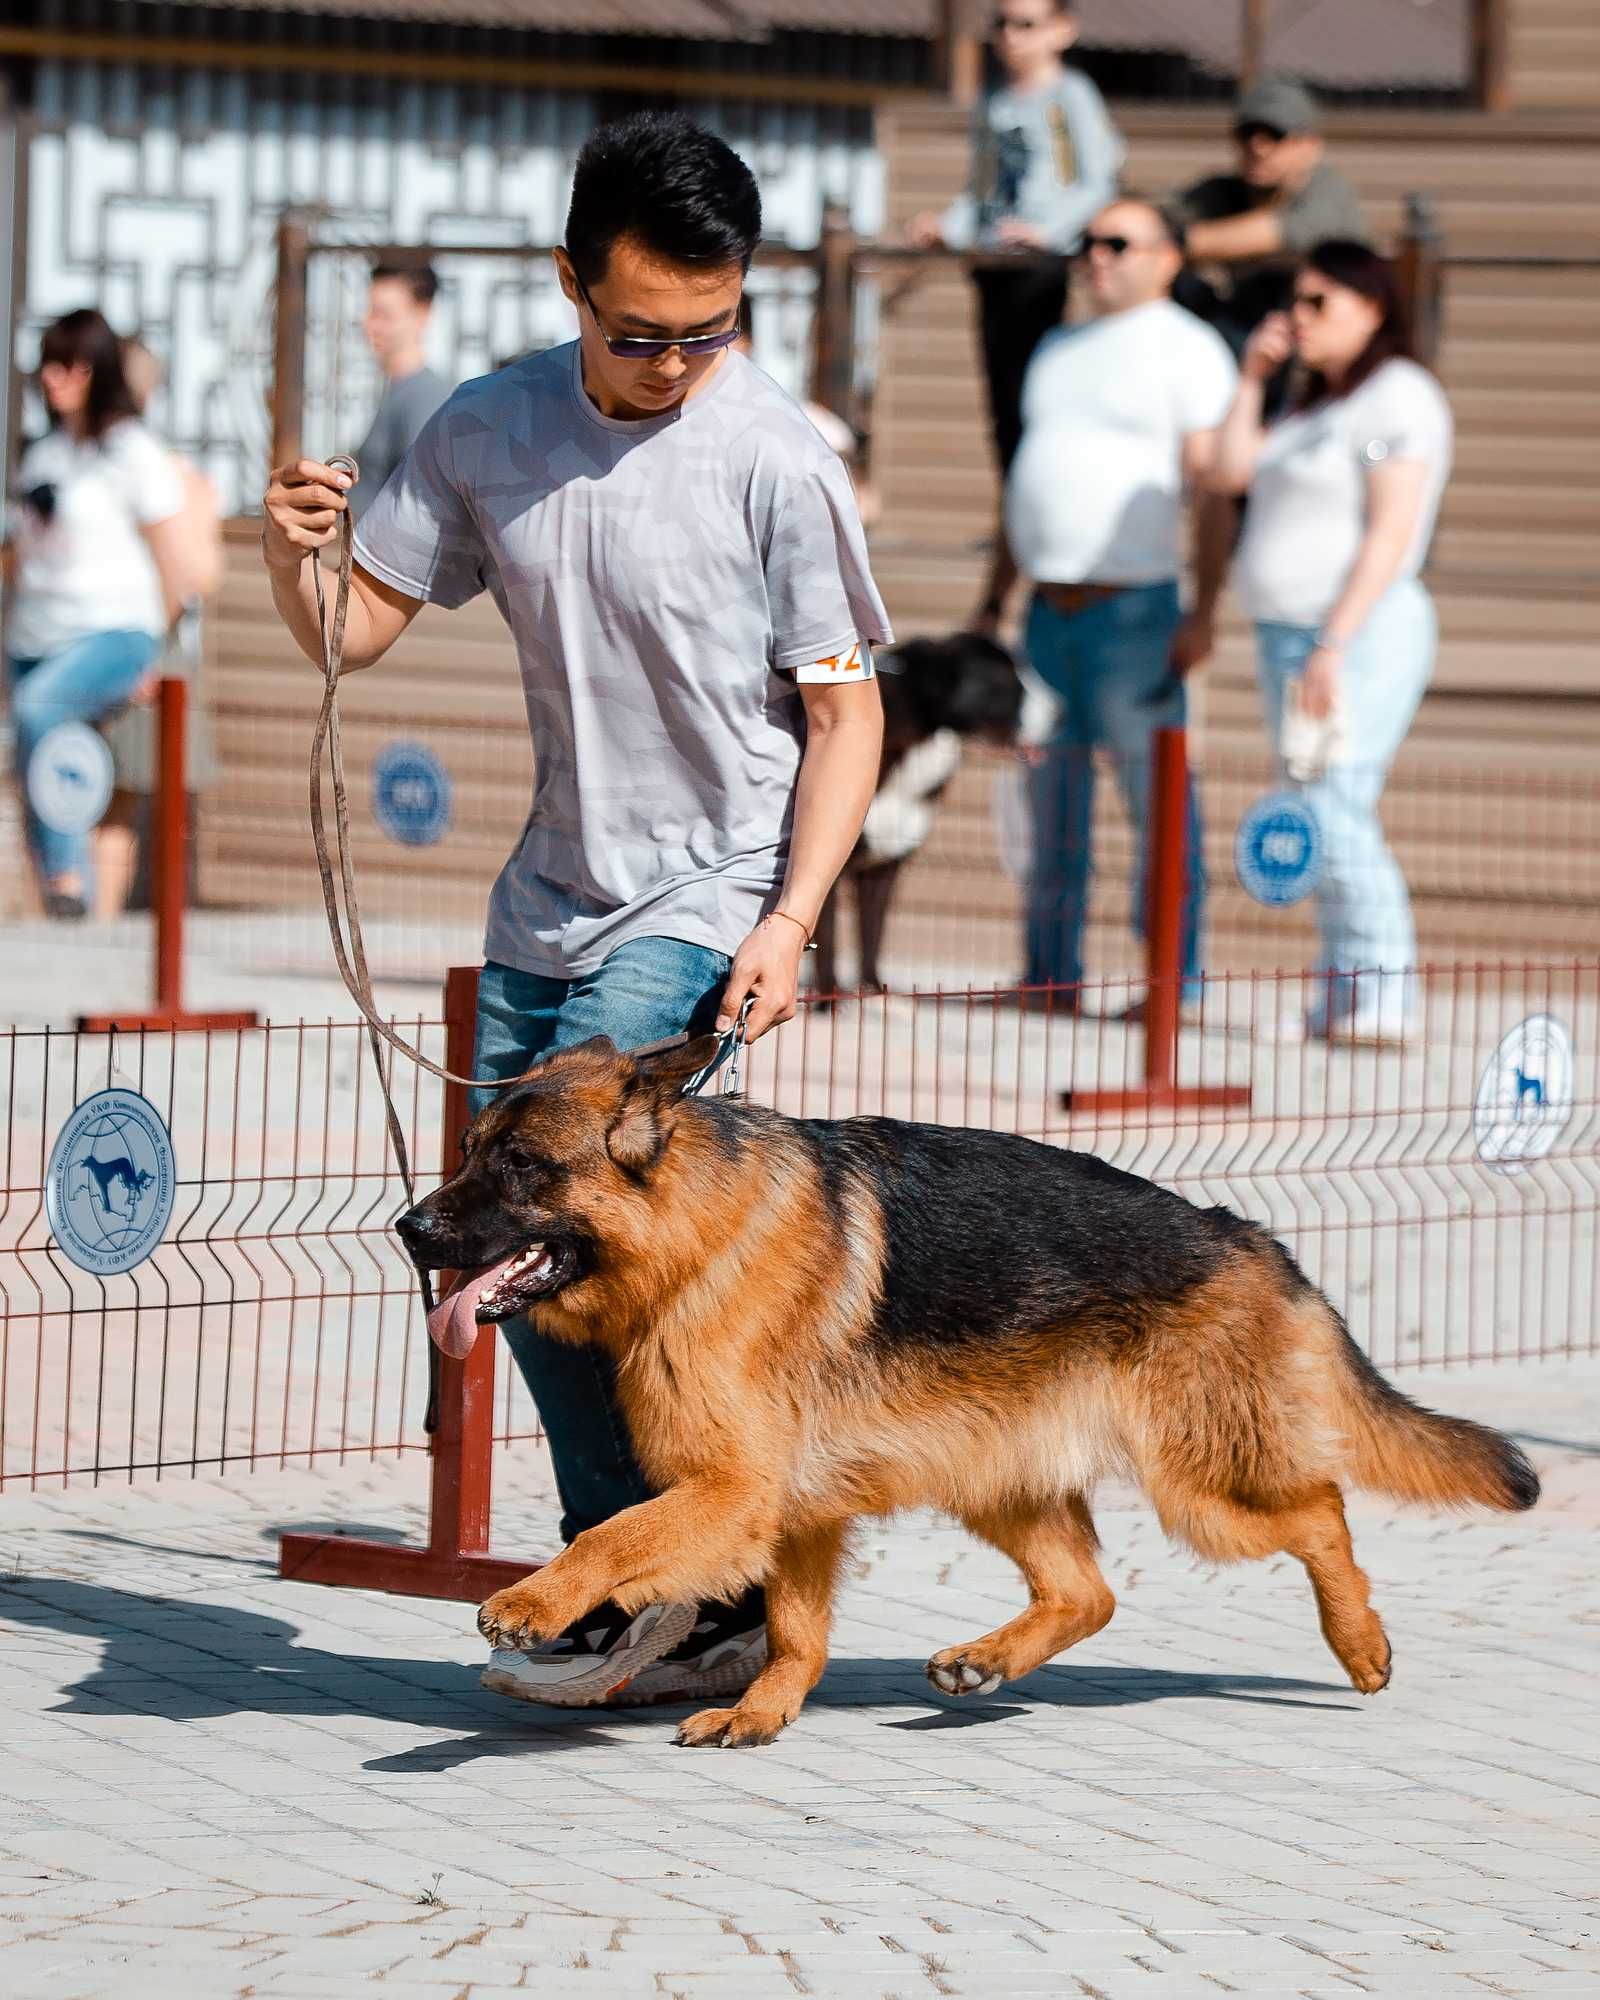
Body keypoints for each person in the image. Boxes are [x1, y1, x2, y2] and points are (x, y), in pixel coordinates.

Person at [261, 111, 888, 1708]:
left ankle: (626, 1585)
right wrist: (295, 557)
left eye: (709, 333)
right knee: (508, 1256)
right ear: (567, 284)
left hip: (707, 899)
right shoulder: (488, 430)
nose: (676, 364)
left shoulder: (778, 458)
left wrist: (790, 921)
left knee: (561, 1233)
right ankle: (697, 1582)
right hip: (545, 900)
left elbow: (845, 719)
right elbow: (348, 636)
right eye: (639, 335)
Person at [1211, 240, 1453, 1044]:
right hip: (1291, 636)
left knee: (1336, 802)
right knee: (1315, 811)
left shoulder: (1397, 397)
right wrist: (1252, 377)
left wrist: (1334, 643)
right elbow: (1227, 470)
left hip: (1356, 632)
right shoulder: (1311, 404)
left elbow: (1391, 530)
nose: (1299, 318)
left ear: (1373, 307)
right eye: (1296, 302)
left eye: (1321, 303)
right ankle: (1340, 991)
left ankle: (1386, 990)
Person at [1005, 199, 1239, 1013]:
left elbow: (1211, 492)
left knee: (1158, 799)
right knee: (1051, 803)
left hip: (1135, 611)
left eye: (1117, 243)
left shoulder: (1191, 348)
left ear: (1170, 256)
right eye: (1087, 243)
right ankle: (1048, 978)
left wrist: (1206, 608)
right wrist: (994, 599)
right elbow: (1029, 477)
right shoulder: (1060, 345)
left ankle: (1173, 987)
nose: (1096, 257)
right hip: (1045, 606)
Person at [2, 310, 189, 918]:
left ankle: (66, 884)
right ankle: (61, 903)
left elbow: (173, 560)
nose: (57, 378)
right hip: (34, 634)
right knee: (33, 759)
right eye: (50, 364)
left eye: (72, 364)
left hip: (113, 633)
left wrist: (161, 651)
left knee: (40, 712)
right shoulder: (44, 457)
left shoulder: (133, 450)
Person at [907, 0, 1123, 493]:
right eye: (1002, 24)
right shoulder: (993, 100)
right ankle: (1015, 512)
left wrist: (1048, 232)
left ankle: (1039, 506)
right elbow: (980, 190)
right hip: (994, 264)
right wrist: (947, 227)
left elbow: (1097, 182)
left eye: (1026, 24)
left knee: (1039, 397)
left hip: (1044, 268)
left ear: (1062, 31)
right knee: (1003, 403)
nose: (1011, 36)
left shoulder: (1071, 96)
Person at [94, 335, 224, 917]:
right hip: (148, 645)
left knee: (123, 801)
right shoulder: (171, 469)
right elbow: (204, 570)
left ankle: (122, 927)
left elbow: (194, 573)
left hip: (146, 647)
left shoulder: (148, 467)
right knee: (138, 801)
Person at [1169, 75, 1368, 357]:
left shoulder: (1329, 192)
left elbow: (1278, 233)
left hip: (1318, 345)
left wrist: (1175, 242)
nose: (1258, 147)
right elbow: (1158, 221)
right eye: (1247, 134)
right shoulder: (1221, 190)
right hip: (1252, 336)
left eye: (1275, 135)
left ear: (1309, 144)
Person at [347, 264, 451, 522]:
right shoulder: (395, 389)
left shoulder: (425, 397)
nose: (370, 324)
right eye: (370, 312)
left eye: (384, 315)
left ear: (422, 314)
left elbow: (420, 505)